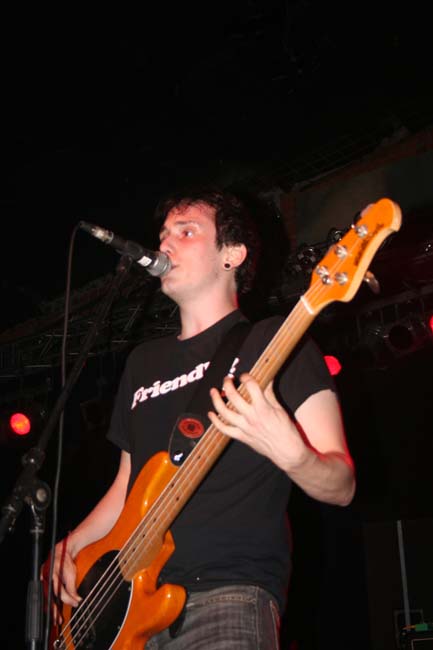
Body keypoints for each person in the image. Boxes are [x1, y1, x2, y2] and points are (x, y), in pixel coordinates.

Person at [42, 187, 355, 649]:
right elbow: (128, 489)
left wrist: (294, 455)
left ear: (232, 254)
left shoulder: (276, 342)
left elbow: (341, 485)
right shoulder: (143, 363)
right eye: (164, 234)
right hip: (130, 611)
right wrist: (72, 546)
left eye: (186, 232)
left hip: (227, 594)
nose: (165, 244)